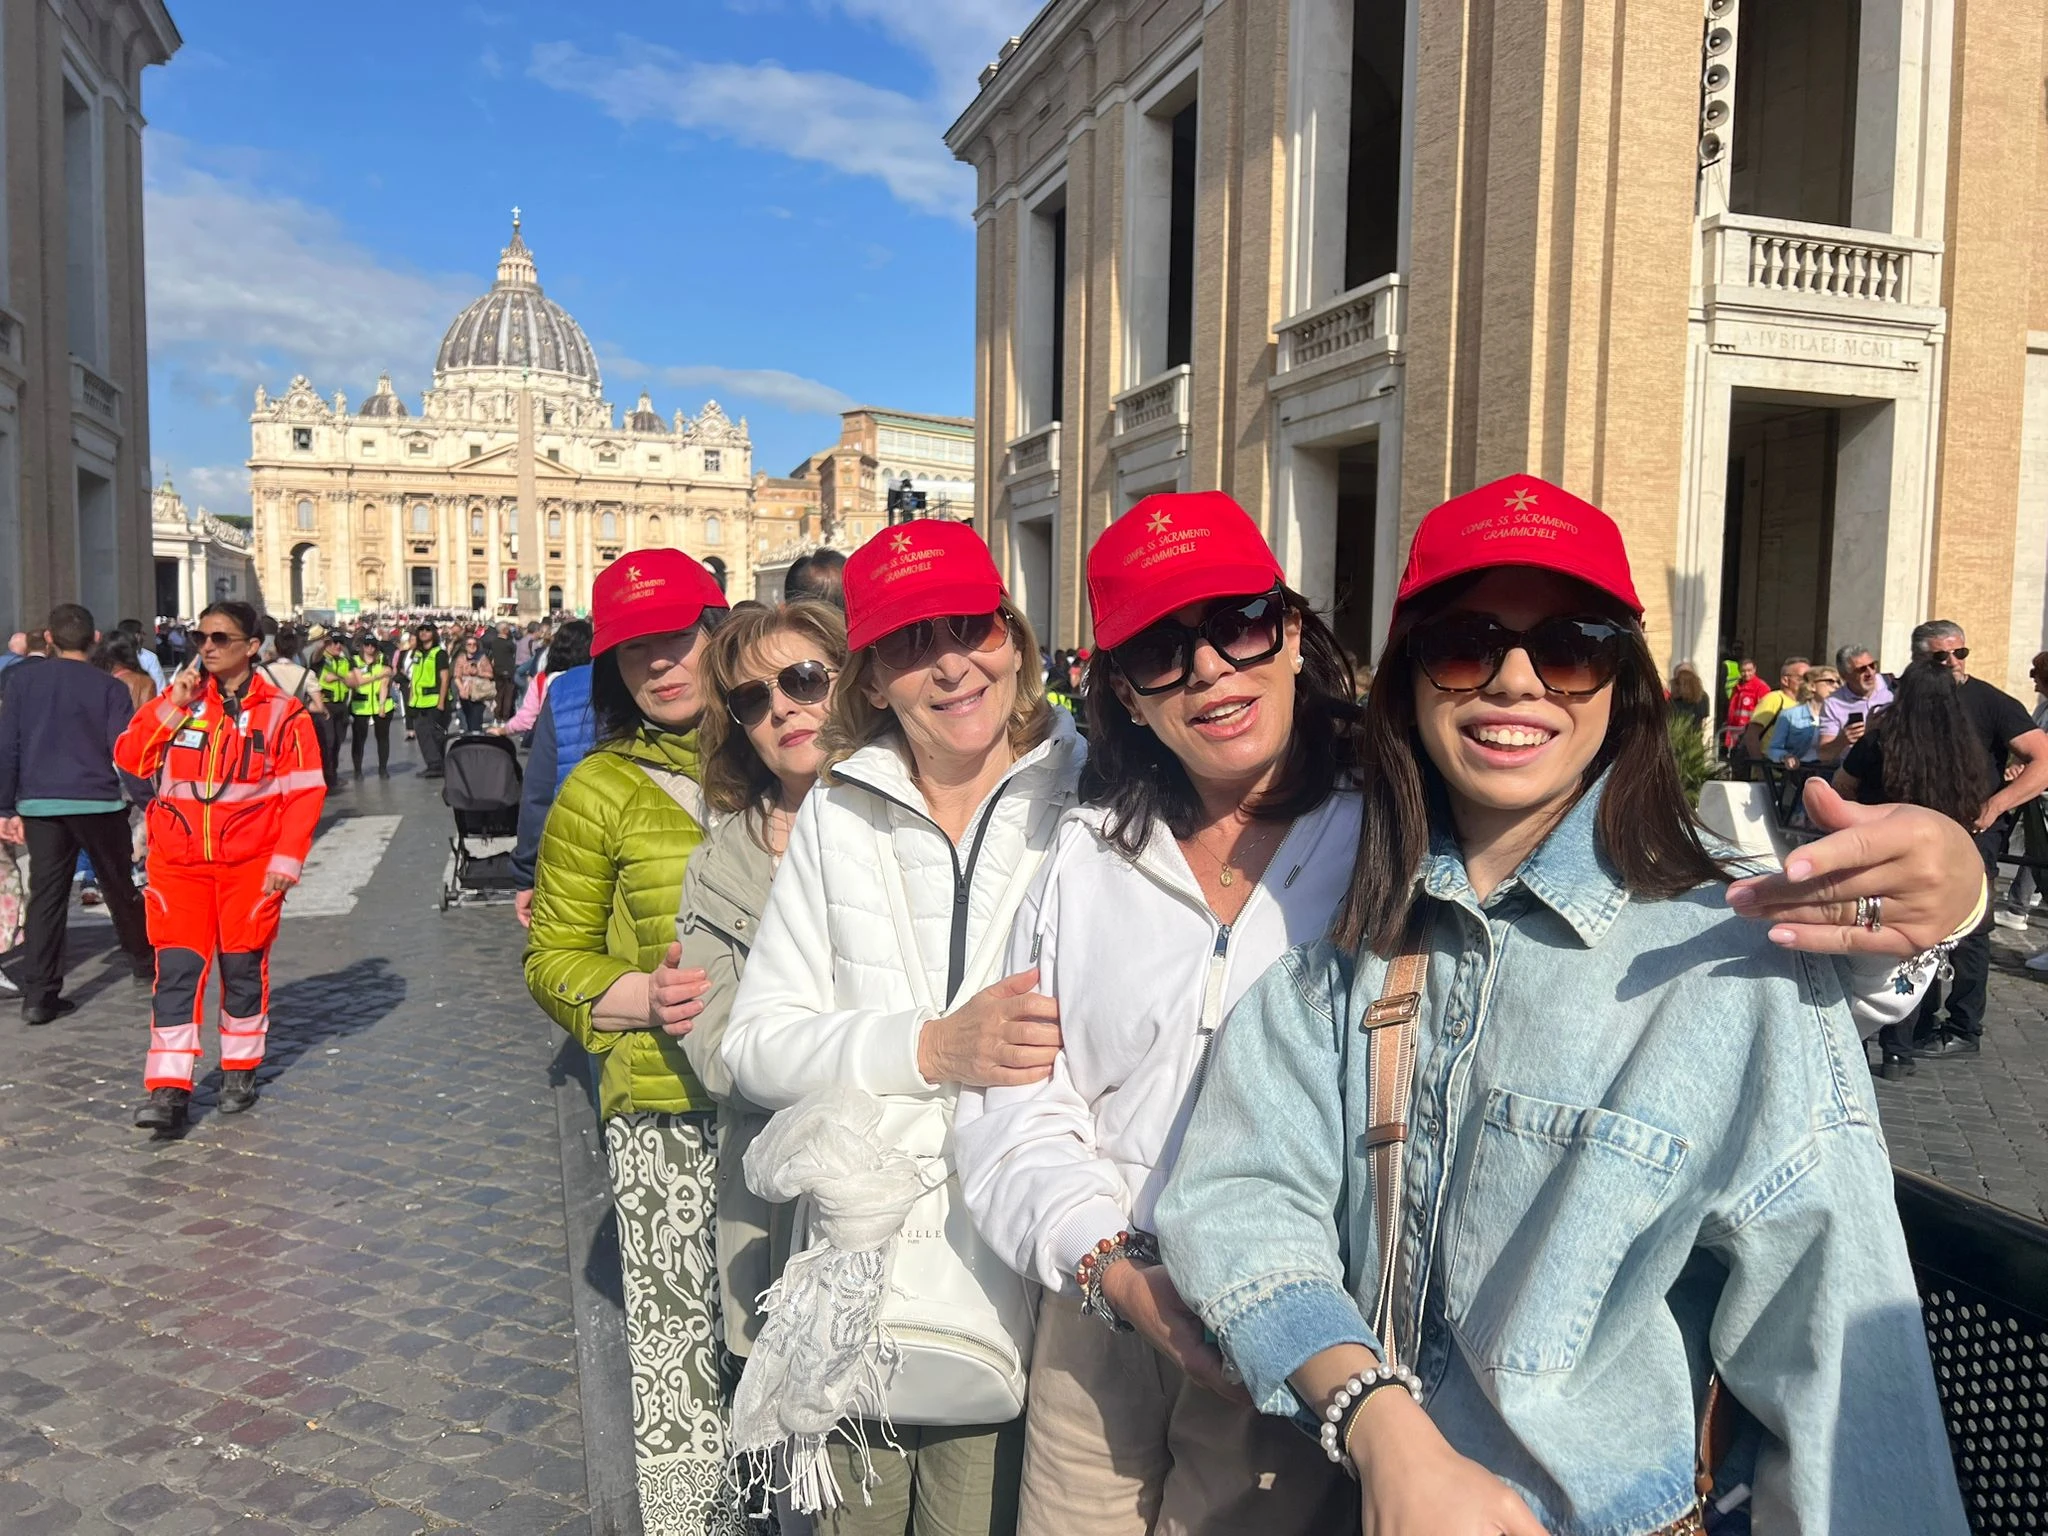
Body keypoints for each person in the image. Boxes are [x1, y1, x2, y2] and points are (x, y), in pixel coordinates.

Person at [1151, 478, 1971, 1536]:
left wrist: (1954, 885)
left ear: (1619, 685)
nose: (1513, 681)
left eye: (1571, 646)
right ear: (1407, 686)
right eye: (1463, 644)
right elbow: (1237, 1203)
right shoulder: (1344, 948)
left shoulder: (1725, 951)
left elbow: (1835, 1342)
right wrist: (1380, 1426)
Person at [955, 492, 1361, 1534]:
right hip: (1101, 1312)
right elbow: (1018, 1102)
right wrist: (1109, 1266)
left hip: (1294, 1315)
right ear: (1127, 696)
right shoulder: (1085, 861)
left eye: (1235, 624)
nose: (1211, 671)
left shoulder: (1389, 835)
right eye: (1160, 652)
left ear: (1291, 633)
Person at [723, 522, 1083, 1533]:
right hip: (872, 1256)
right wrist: (927, 1048)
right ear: (872, 678)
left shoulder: (1095, 794)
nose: (952, 664)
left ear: (1013, 637)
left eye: (971, 627)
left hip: (1036, 1258)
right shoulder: (840, 815)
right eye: (912, 643)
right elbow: (754, 1043)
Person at [523, 549, 741, 1528]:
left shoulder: (796, 754)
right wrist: (635, 999)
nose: (659, 663)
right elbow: (551, 958)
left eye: (677, 636)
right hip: (663, 1108)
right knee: (679, 1358)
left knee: (791, 1346)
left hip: (799, 1103)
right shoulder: (598, 790)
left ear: (718, 627)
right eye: (632, 649)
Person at [677, 600, 844, 1374]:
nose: (782, 706)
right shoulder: (722, 862)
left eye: (805, 679)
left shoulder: (915, 824)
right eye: (753, 699)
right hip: (770, 1210)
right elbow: (719, 1054)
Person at [115, 601, 325, 1131]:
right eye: (199, 637)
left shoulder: (284, 712)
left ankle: (239, 1067)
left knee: (242, 970)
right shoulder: (181, 701)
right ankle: (167, 1089)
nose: (206, 647)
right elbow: (130, 758)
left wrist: (286, 860)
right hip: (179, 867)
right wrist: (170, 705)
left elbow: (304, 793)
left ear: (251, 647)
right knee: (177, 976)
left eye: (219, 638)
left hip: (248, 868)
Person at [1841, 620, 2048, 1062]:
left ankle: (1962, 1027)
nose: (1953, 663)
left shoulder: (1990, 701)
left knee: (1969, 927)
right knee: (1916, 923)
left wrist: (1995, 806)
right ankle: (1911, 1027)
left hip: (1973, 832)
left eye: (1961, 653)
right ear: (1919, 660)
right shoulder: (1905, 707)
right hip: (1914, 833)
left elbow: (2042, 758)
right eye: (1941, 656)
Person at [0, 604, 154, 1024]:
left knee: (47, 895)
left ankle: (39, 994)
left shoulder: (21, 682)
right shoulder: (109, 687)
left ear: (48, 638)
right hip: (97, 801)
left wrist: (4, 806)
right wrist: (149, 801)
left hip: (40, 803)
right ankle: (143, 962)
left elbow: (8, 745)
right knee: (118, 884)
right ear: (96, 639)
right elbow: (125, 753)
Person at [499, 618, 591, 738]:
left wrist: (503, 730)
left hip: (551, 744)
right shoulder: (596, 676)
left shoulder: (543, 679)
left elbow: (525, 719)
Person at [1818, 639, 1893, 763]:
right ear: (1844, 676)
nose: (1870, 673)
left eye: (1873, 665)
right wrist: (1843, 740)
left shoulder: (1893, 687)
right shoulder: (1833, 703)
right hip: (1856, 772)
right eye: (1861, 669)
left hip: (1892, 768)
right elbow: (1824, 755)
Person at [344, 635, 397, 778]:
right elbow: (358, 681)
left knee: (383, 737)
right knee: (359, 738)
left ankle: (383, 769)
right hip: (360, 704)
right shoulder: (354, 660)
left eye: (373, 645)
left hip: (381, 702)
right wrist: (377, 676)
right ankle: (358, 770)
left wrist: (381, 706)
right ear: (362, 646)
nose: (370, 648)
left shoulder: (383, 659)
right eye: (367, 645)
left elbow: (386, 681)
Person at [1739, 654, 1808, 760]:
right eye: (1802, 678)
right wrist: (1760, 766)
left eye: (1810, 678)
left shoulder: (1805, 704)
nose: (1807, 683)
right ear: (1785, 680)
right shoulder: (1775, 699)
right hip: (1771, 769)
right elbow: (1752, 735)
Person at [406, 622, 453, 777]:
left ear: (433, 633)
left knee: (435, 734)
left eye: (427, 630)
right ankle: (434, 764)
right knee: (422, 734)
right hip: (419, 701)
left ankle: (437, 765)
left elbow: (445, 678)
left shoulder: (439, 653)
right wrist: (411, 698)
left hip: (434, 700)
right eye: (421, 630)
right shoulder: (417, 653)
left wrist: (441, 702)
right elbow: (414, 677)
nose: (424, 633)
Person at [313, 627, 353, 790]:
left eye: (340, 643)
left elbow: (352, 681)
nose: (337, 646)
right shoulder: (322, 659)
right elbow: (315, 658)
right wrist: (323, 644)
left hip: (341, 705)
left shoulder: (345, 661)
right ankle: (325, 776)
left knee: (337, 741)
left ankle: (333, 774)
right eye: (334, 643)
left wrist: (340, 678)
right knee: (327, 741)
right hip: (325, 705)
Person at [1718, 657, 1766, 757]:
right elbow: (1732, 712)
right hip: (1734, 737)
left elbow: (1764, 713)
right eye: (1743, 671)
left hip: (1749, 736)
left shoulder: (1761, 687)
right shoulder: (1737, 687)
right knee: (1735, 767)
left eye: (1749, 670)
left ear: (1755, 669)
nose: (1746, 674)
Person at [453, 633, 495, 734]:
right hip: (465, 692)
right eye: (469, 644)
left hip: (480, 693)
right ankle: (468, 736)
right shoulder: (461, 658)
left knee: (476, 719)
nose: (472, 647)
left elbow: (491, 674)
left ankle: (476, 736)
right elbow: (456, 676)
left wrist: (479, 673)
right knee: (467, 718)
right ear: (465, 646)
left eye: (474, 644)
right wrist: (461, 689)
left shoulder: (482, 658)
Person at [487, 621, 518, 721]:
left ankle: (497, 715)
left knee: (499, 694)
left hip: (497, 670)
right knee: (508, 694)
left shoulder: (494, 642)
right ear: (505, 630)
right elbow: (514, 651)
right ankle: (505, 716)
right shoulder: (509, 644)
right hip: (508, 670)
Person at [1666, 663, 1709, 732]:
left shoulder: (1672, 700)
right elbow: (1703, 721)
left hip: (1676, 737)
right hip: (1693, 739)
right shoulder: (1703, 697)